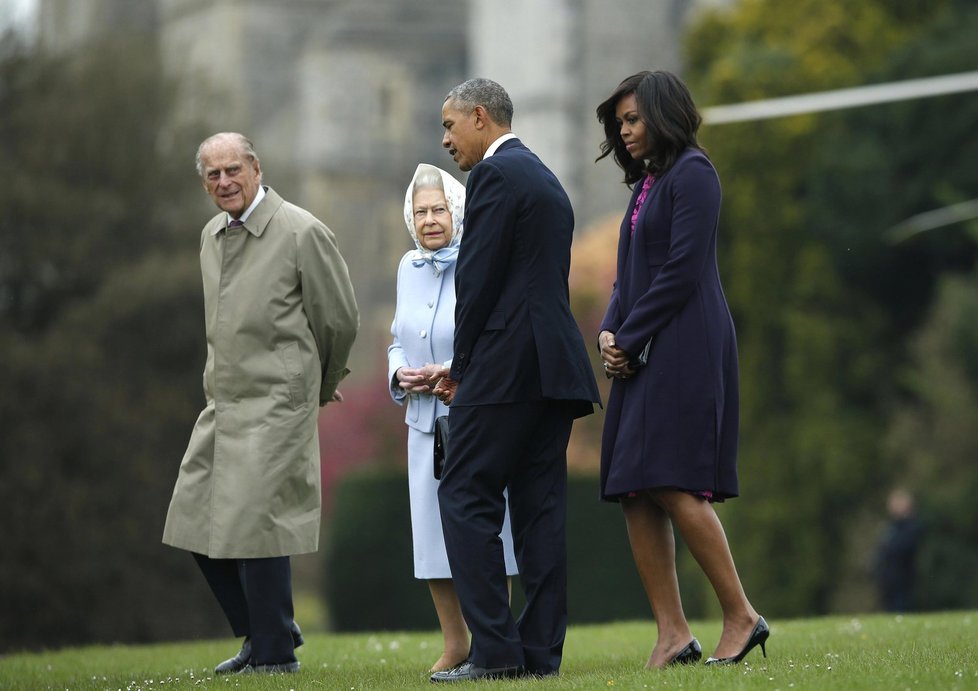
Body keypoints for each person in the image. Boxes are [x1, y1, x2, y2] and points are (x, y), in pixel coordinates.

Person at [162, 132, 359, 675]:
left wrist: (317, 384)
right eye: (213, 175)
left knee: (260, 524)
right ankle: (267, 630)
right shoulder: (210, 235)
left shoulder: (302, 231)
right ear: (204, 182)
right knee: (192, 519)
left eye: (233, 170)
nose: (224, 182)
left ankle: (273, 658)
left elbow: (339, 319)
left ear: (255, 167)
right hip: (221, 404)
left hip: (279, 402)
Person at [427, 78, 600, 682]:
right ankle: (540, 656)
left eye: (450, 125)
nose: (446, 139)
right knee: (539, 511)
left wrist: (463, 367)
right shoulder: (546, 177)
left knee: (463, 493)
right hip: (553, 371)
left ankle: (496, 654)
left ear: (481, 117)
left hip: (505, 370)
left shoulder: (494, 178)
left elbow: (477, 283)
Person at [594, 71, 767, 668]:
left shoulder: (694, 173)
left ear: (664, 115)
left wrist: (631, 335)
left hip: (685, 345)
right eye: (620, 123)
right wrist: (609, 333)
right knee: (634, 489)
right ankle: (673, 634)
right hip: (642, 348)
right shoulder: (648, 183)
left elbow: (681, 270)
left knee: (669, 477)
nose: (625, 131)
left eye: (634, 119)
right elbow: (629, 276)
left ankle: (742, 616)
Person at [387, 163, 519, 672]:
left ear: (457, 212)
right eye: (420, 212)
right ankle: (455, 643)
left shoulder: (478, 261)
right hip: (423, 422)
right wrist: (400, 376)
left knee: (488, 533)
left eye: (439, 209)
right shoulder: (406, 268)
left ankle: (495, 640)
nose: (429, 220)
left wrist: (454, 369)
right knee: (432, 539)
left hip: (473, 416)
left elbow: (490, 335)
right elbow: (398, 337)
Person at [874, 488, 922, 612]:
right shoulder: (892, 526)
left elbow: (902, 548)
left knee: (901, 607)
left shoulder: (912, 526)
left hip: (903, 576)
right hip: (887, 577)